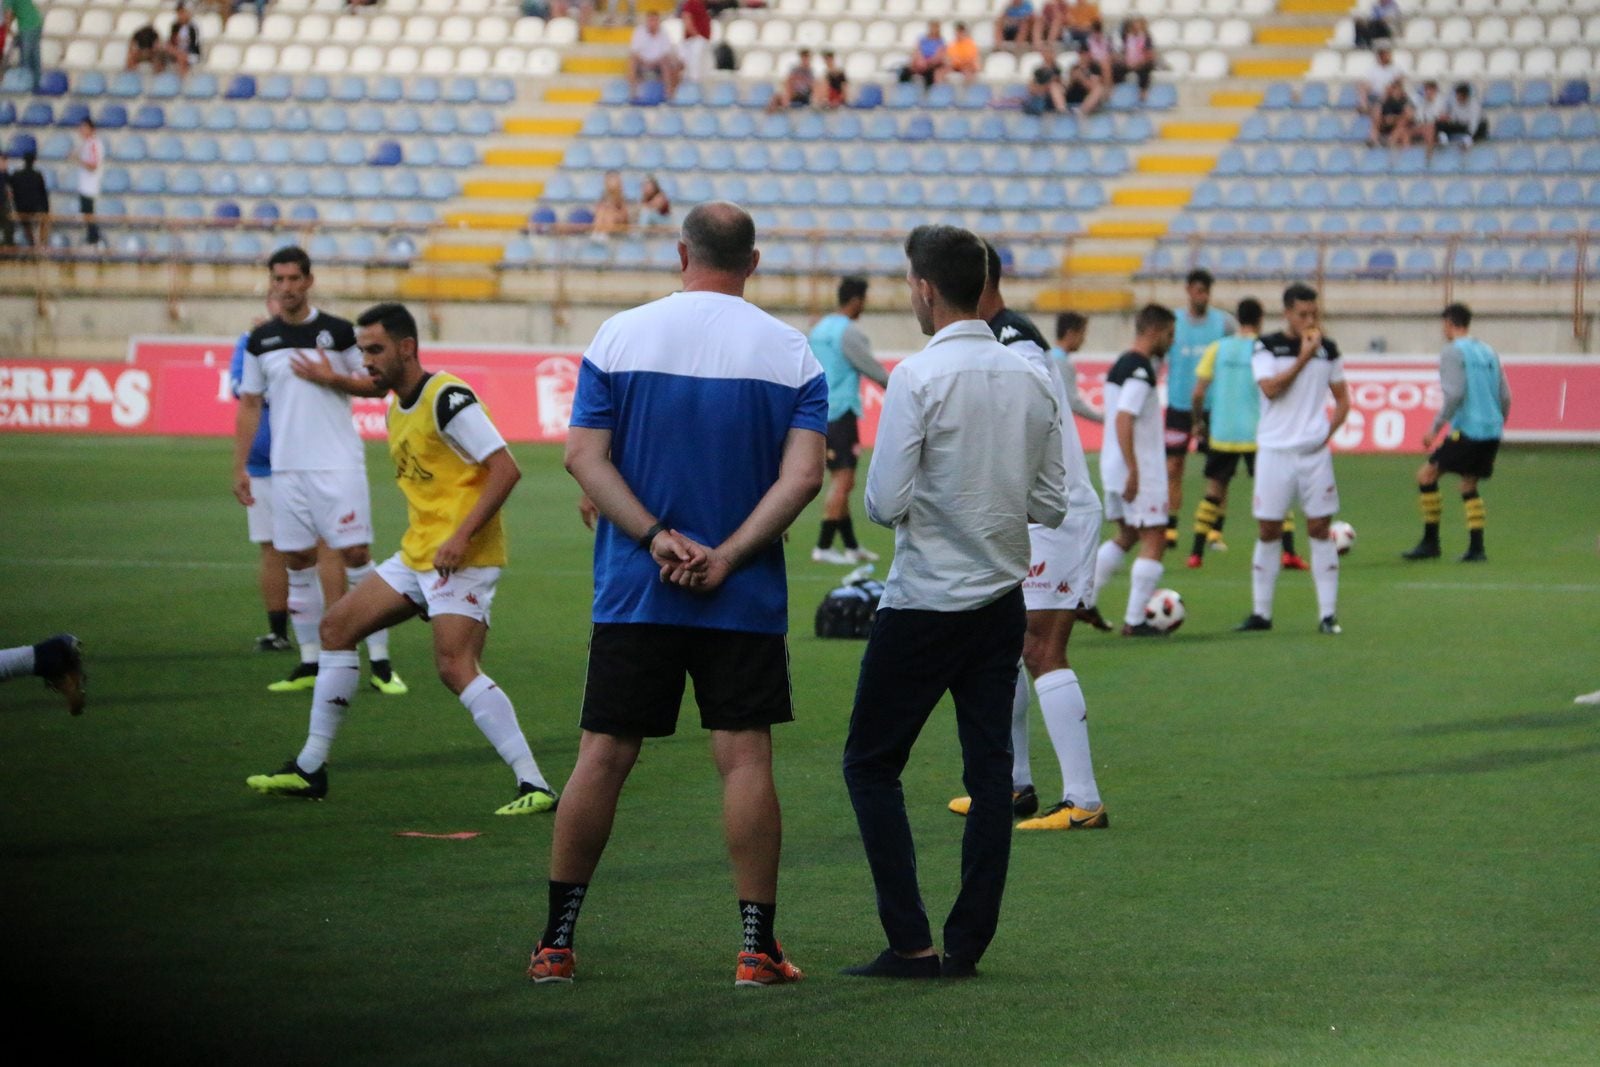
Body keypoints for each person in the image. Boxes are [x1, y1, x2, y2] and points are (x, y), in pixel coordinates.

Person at [528, 202, 825, 988]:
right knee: (744, 758)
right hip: (743, 591)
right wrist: (724, 555)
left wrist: (658, 538)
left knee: (604, 754)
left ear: (679, 252)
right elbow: (804, 477)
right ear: (753, 262)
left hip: (636, 586)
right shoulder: (792, 353)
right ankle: (755, 950)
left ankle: (555, 943)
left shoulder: (620, 335)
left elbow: (583, 458)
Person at [842, 224, 1066, 979]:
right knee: (991, 773)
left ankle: (911, 940)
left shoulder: (917, 377)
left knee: (871, 764)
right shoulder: (1033, 376)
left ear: (927, 289)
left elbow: (881, 501)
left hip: (924, 600)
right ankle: (968, 942)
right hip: (1000, 598)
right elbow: (1052, 502)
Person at [246, 304, 556, 813]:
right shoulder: (396, 405)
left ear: (406, 348)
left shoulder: (448, 399)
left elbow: (505, 469)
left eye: (374, 350)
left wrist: (460, 537)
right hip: (418, 556)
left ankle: (534, 783)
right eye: (362, 350)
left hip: (464, 557)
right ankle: (309, 768)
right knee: (337, 628)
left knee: (455, 666)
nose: (364, 360)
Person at [946, 242, 1108, 833]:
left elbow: (1031, 419)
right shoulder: (1000, 337)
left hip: (1054, 513)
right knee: (1010, 647)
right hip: (1031, 514)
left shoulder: (1015, 340)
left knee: (1041, 649)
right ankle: (1012, 787)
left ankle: (1084, 800)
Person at [231, 246, 407, 695]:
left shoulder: (338, 333)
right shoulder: (260, 340)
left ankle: (382, 663)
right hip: (286, 467)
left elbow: (374, 384)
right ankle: (310, 661)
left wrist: (331, 378)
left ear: (309, 281)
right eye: (279, 280)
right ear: (271, 284)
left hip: (337, 463)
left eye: (294, 279)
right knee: (297, 560)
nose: (286, 287)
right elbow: (250, 403)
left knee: (355, 555)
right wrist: (240, 466)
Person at [229, 295, 347, 652]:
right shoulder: (254, 342)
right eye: (275, 292)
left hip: (313, 456)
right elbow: (239, 389)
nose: (281, 300)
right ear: (268, 302)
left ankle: (338, 627)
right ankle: (279, 631)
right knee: (271, 547)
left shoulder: (324, 337)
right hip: (265, 461)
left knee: (326, 545)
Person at [1235, 284, 1349, 636]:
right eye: (1302, 314)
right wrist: (1302, 356)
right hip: (1274, 451)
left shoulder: (1328, 350)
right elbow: (1270, 388)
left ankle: (1328, 615)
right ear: (1286, 313)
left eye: (1314, 314)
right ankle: (1261, 613)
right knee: (1268, 529)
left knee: (1319, 528)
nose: (1309, 320)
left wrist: (1324, 436)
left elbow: (1343, 400)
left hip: (1313, 455)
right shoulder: (1266, 346)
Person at [1087, 305, 1177, 637]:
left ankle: (1086, 598)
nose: (1172, 341)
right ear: (1155, 331)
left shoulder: (1121, 365)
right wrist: (1135, 469)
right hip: (1137, 470)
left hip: (1114, 466)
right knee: (1155, 537)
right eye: (1170, 334)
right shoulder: (1139, 370)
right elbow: (1125, 417)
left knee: (1126, 536)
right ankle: (1136, 619)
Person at [1402, 303, 1511, 564]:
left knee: (1427, 475)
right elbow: (1506, 395)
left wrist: (1434, 429)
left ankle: (1431, 543)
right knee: (1468, 484)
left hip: (1468, 429)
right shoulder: (1488, 351)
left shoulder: (1452, 352)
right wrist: (1497, 424)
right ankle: (1477, 548)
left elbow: (1455, 394)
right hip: (1491, 429)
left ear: (1449, 324)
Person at [811, 275, 889, 566]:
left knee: (842, 479)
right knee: (844, 480)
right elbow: (874, 371)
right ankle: (823, 545)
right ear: (856, 300)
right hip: (841, 411)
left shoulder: (819, 329)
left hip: (820, 412)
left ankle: (852, 546)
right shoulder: (848, 333)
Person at [1187, 297, 1262, 569]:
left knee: (1214, 491)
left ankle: (1195, 553)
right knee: (1270, 490)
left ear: (1238, 319)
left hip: (1223, 431)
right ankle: (1287, 551)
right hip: (1256, 432)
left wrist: (1198, 422)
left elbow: (1197, 392)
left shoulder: (1217, 348)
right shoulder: (1263, 349)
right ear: (1260, 320)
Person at [1166, 269, 1235, 549]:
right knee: (1173, 466)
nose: (1201, 295)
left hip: (1214, 408)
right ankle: (1170, 527)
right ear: (1188, 291)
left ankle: (1214, 531)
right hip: (1178, 406)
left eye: (1205, 291)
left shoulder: (1224, 324)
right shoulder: (1175, 322)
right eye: (1197, 290)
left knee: (1219, 472)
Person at [0, 635, 85, 715]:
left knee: (67, 684)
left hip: (46, 656)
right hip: (47, 654)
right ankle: (74, 682)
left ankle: (73, 687)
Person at [1048, 312, 1103, 424]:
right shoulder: (1061, 363)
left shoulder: (1048, 357)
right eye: (1082, 334)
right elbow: (1072, 401)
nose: (1083, 340)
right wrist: (1102, 418)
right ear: (1070, 334)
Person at [628, 11, 683, 102]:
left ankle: (668, 95)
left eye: (655, 20)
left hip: (658, 64)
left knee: (668, 62)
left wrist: (655, 62)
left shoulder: (664, 34)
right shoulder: (639, 32)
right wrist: (645, 62)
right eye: (650, 20)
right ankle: (634, 93)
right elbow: (634, 52)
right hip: (642, 63)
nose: (652, 23)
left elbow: (666, 53)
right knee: (632, 60)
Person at [8, 149, 47, 250]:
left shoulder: (16, 175)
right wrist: (45, 210)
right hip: (35, 209)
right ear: (34, 161)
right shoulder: (37, 175)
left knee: (26, 224)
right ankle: (39, 244)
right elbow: (44, 195)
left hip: (20, 209)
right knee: (44, 220)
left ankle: (33, 244)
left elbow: (8, 186)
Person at [2, 0, 42, 93]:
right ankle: (36, 85)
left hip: (28, 25)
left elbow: (8, 15)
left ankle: (25, 85)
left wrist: (8, 31)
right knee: (34, 55)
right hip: (36, 22)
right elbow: (14, 13)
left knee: (25, 57)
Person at [75, 119, 103, 249]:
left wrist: (78, 160)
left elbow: (93, 165)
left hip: (90, 187)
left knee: (89, 216)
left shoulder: (93, 144)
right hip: (84, 186)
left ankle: (95, 242)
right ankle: (93, 241)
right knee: (86, 216)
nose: (81, 130)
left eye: (83, 127)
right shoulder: (86, 144)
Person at [1115, 16, 1157, 100]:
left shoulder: (1147, 38)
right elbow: (1122, 52)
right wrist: (1125, 61)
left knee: (1146, 68)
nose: (1136, 28)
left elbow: (1150, 55)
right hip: (1128, 62)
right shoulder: (1125, 37)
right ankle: (1115, 93)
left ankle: (1143, 92)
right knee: (1116, 67)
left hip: (1141, 63)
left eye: (1138, 26)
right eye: (1134, 26)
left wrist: (1139, 62)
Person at [1358, 41, 1406, 114]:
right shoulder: (1372, 68)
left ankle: (1377, 109)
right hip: (1375, 95)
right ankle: (1364, 106)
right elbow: (1365, 84)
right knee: (1362, 87)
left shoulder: (1396, 68)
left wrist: (1388, 90)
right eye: (1381, 53)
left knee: (1389, 91)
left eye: (1385, 53)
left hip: (1390, 97)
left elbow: (1399, 84)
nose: (1384, 55)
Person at [1370, 78, 1415, 148]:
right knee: (1375, 122)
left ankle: (1391, 142)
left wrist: (1394, 118)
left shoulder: (1405, 100)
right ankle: (1374, 143)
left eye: (1398, 89)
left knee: (1403, 127)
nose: (1396, 91)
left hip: (1400, 125)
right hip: (1385, 124)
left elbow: (1409, 116)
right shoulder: (1385, 100)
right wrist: (1385, 118)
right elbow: (1375, 113)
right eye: (1394, 88)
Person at [767, 47, 815, 112]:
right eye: (803, 56)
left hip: (806, 94)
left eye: (806, 57)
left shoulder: (811, 71)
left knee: (787, 94)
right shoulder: (795, 70)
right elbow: (788, 81)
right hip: (794, 93)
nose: (805, 59)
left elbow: (812, 86)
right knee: (777, 96)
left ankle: (785, 112)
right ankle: (772, 116)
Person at [1062, 47, 1108, 114]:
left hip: (1087, 97)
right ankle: (1063, 111)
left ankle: (1081, 111)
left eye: (1086, 54)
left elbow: (1093, 86)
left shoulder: (1094, 68)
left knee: (1099, 90)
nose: (1084, 57)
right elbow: (1067, 86)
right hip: (1074, 94)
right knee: (1055, 86)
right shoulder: (1074, 67)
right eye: (1082, 54)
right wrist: (1073, 78)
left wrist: (1081, 78)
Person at [1023, 46, 1066, 115]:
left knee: (1054, 87)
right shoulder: (1038, 70)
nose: (1047, 54)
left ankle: (1061, 110)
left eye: (1049, 52)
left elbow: (1060, 85)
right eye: (1045, 52)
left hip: (1051, 96)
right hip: (1040, 94)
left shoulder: (1057, 69)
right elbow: (1032, 86)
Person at [906, 20, 949, 86]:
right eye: (932, 27)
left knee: (934, 73)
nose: (933, 30)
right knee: (908, 69)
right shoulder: (922, 39)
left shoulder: (940, 41)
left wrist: (929, 62)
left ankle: (931, 91)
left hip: (932, 64)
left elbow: (939, 55)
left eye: (935, 28)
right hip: (922, 62)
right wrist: (921, 60)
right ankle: (906, 88)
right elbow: (917, 50)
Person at [679, 0, 712, 82]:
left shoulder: (702, 4)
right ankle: (693, 84)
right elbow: (687, 19)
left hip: (701, 41)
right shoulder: (691, 3)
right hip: (693, 41)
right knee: (693, 68)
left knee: (703, 69)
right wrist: (697, 36)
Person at [591, 169, 630, 236]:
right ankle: (599, 235)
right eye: (610, 179)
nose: (612, 183)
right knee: (602, 212)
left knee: (608, 213)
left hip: (619, 227)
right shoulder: (603, 198)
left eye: (614, 179)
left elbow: (624, 216)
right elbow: (596, 213)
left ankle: (600, 235)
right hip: (606, 226)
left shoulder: (622, 198)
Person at [166, 5, 202, 77]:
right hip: (177, 51)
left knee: (181, 57)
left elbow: (194, 44)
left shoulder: (193, 28)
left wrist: (184, 42)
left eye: (182, 13)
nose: (180, 16)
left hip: (191, 53)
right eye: (179, 14)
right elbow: (171, 41)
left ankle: (182, 79)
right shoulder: (175, 26)